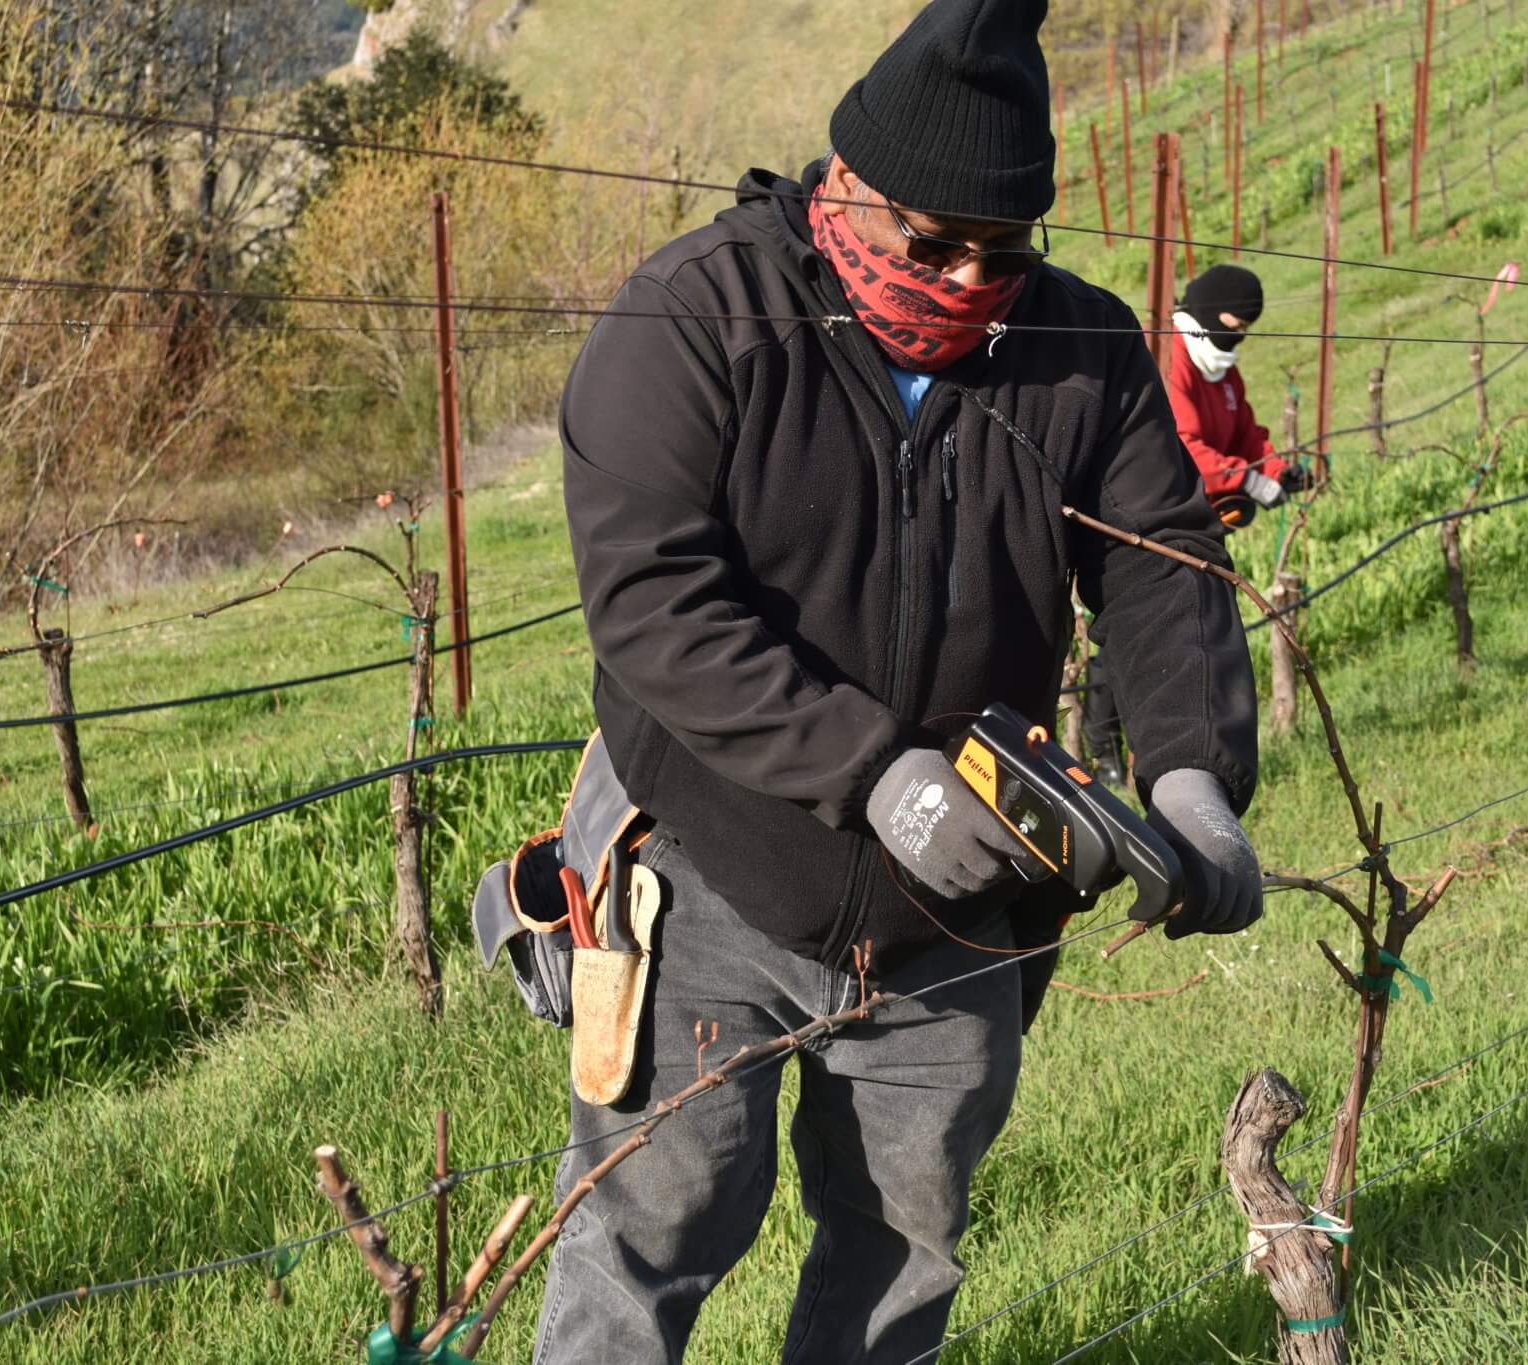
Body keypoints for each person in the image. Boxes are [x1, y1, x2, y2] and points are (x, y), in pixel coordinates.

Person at [545, 2, 1264, 1360]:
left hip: (968, 908)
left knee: (903, 1246)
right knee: (648, 1232)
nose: (962, 279)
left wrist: (1194, 774)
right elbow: (651, 598)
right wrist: (870, 771)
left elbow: (1164, 561)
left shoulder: (1081, 352)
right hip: (711, 862)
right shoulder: (697, 318)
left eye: (1000, 253)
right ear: (845, 187)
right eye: (927, 243)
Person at [1165, 264, 1313, 528]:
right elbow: (1179, 446)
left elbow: (1245, 435)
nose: (1240, 336)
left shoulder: (1223, 369)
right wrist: (1244, 479)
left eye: (1245, 328)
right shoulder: (1167, 358)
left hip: (1197, 514)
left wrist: (1275, 470)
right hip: (1162, 514)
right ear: (1211, 310)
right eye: (1236, 325)